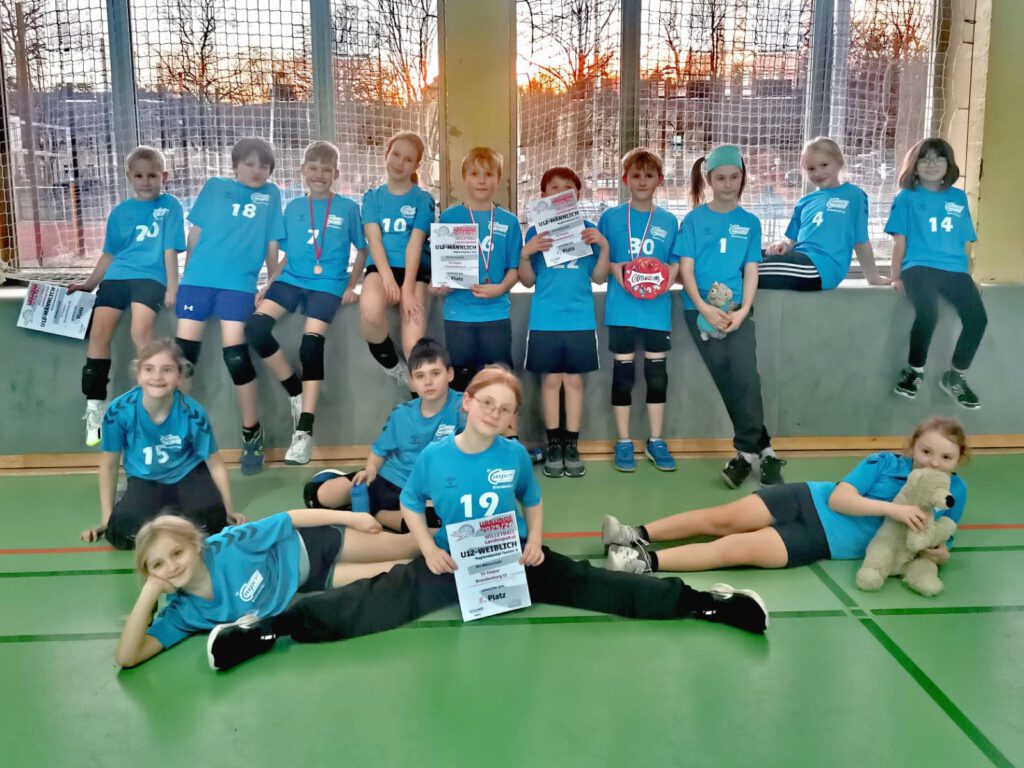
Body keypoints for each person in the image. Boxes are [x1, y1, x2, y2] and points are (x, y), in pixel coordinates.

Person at [205, 368, 769, 672]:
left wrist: (536, 541)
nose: (495, 413)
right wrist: (427, 548)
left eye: (506, 409)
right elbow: (410, 504)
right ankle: (272, 628)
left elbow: (532, 499)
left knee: (594, 585)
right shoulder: (435, 457)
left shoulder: (515, 455)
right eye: (487, 403)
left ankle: (703, 602)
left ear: (510, 419)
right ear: (467, 403)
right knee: (377, 600)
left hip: (513, 556)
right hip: (454, 559)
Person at [602, 416, 967, 575]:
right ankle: (634, 533)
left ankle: (642, 562)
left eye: (945, 457)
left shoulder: (954, 493)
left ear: (958, 460)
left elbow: (942, 544)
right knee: (722, 519)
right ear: (912, 447)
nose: (933, 462)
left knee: (735, 549)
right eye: (926, 451)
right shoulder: (884, 462)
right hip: (807, 499)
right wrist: (895, 510)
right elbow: (840, 500)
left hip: (820, 540)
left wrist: (936, 553)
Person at [115, 508, 420, 667]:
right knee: (399, 570)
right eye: (158, 565)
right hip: (312, 580)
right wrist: (149, 593)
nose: (171, 567)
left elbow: (288, 518)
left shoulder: (231, 546)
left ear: (195, 545)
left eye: (177, 553)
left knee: (407, 545)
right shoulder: (183, 614)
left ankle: (448, 527)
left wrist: (351, 518)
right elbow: (127, 657)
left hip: (313, 544)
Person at [244, 140, 364, 465]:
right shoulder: (294, 207)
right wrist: (269, 284)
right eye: (313, 168)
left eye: (326, 169)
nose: (319, 175)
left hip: (328, 283)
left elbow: (362, 250)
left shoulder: (347, 208)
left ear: (336, 174)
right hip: (292, 279)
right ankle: (294, 388)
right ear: (302, 170)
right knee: (256, 329)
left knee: (310, 345)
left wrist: (351, 285)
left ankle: (304, 431)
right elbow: (288, 255)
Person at [174, 137, 285, 475]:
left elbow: (272, 244)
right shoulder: (215, 187)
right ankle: (174, 433)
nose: (256, 170)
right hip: (198, 280)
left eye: (263, 165)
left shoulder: (271, 195)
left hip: (238, 284)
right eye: (249, 164)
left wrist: (270, 284)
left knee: (236, 356)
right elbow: (195, 234)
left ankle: (252, 433)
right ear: (235, 166)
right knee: (183, 356)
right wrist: (186, 277)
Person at [676, 145, 785, 488]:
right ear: (709, 180)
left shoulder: (750, 222)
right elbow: (686, 270)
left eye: (734, 177)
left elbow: (751, 270)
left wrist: (743, 311)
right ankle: (764, 451)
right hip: (699, 312)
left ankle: (746, 453)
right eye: (720, 178)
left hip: (736, 312)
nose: (728, 184)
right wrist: (704, 307)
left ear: (742, 178)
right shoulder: (694, 220)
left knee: (746, 378)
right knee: (726, 380)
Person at [69, 146, 185, 446]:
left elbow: (169, 250)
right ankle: (95, 407)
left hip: (151, 278)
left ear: (164, 176)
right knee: (99, 333)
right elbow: (110, 254)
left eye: (152, 175)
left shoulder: (170, 205)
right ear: (129, 177)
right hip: (118, 276)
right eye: (139, 176)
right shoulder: (120, 212)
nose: (146, 181)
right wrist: (89, 284)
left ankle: (155, 402)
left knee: (140, 330)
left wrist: (173, 286)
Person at [78, 339, 243, 550]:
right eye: (149, 369)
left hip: (187, 473)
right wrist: (107, 518)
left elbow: (215, 464)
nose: (157, 376)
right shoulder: (119, 411)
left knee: (213, 522)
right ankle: (137, 502)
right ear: (138, 374)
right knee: (122, 532)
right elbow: (109, 464)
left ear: (180, 376)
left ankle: (175, 509)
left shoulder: (193, 413)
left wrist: (228, 509)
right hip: (145, 478)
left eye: (167, 369)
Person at [302, 337, 462, 533]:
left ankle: (376, 514)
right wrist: (371, 469)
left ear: (450, 374)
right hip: (390, 480)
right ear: (411, 382)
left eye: (435, 373)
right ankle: (354, 493)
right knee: (316, 497)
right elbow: (380, 451)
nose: (428, 382)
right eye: (420, 376)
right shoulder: (402, 413)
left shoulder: (464, 408)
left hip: (431, 491)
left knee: (430, 523)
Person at [518, 166, 610, 478]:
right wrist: (525, 254)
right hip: (545, 320)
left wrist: (604, 247)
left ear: (577, 195)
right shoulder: (535, 232)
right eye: (554, 188)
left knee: (573, 382)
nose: (560, 193)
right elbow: (527, 281)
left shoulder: (589, 229)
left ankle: (572, 444)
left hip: (580, 320)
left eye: (567, 188)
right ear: (543, 195)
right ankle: (553, 444)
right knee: (550, 381)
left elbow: (599, 278)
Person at [887, 138, 987, 409]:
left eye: (938, 158)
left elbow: (964, 241)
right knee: (929, 313)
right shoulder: (906, 197)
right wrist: (895, 275)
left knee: (978, 319)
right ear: (914, 165)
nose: (931, 164)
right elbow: (899, 240)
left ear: (948, 164)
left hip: (954, 270)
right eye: (924, 158)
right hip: (919, 267)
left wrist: (969, 275)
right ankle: (914, 371)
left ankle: (955, 375)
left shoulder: (958, 197)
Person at [598, 147, 679, 472]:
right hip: (622, 309)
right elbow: (601, 265)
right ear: (625, 180)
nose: (642, 181)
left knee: (657, 377)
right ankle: (623, 441)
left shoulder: (669, 220)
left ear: (659, 180)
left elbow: (676, 263)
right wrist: (617, 269)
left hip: (656, 311)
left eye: (648, 175)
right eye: (635, 175)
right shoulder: (611, 218)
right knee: (623, 377)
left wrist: (666, 277)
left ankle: (656, 440)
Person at [437, 147, 522, 393]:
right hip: (458, 313)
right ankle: (463, 419)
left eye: (489, 174)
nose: (482, 180)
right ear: (464, 178)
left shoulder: (509, 221)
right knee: (461, 380)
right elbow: (440, 268)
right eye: (475, 174)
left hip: (495, 313)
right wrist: (441, 285)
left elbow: (515, 269)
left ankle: (504, 421)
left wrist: (501, 288)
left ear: (498, 179)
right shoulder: (449, 218)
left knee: (500, 380)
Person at [358, 132, 437, 386]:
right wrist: (388, 279)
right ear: (387, 155)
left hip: (414, 271)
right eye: (396, 155)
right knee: (370, 313)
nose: (400, 162)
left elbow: (415, 243)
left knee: (413, 346)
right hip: (381, 268)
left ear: (416, 165)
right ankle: (393, 366)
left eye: (408, 159)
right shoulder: (372, 198)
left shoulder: (423, 200)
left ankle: (421, 400)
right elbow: (374, 240)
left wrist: (407, 289)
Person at [761, 136, 887, 290]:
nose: (818, 172)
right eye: (811, 168)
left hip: (820, 268)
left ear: (839, 162)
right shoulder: (804, 202)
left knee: (748, 270)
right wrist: (783, 244)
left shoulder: (853, 195)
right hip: (799, 259)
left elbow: (860, 240)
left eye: (824, 165)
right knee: (747, 255)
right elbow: (792, 241)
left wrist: (873, 278)